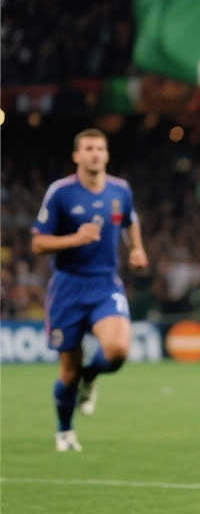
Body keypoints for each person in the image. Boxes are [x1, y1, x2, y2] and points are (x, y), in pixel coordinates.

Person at [31, 128, 148, 451]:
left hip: (105, 283)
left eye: (100, 148)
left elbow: (130, 220)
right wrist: (75, 239)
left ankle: (91, 377)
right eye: (89, 148)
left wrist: (137, 248)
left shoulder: (120, 190)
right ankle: (65, 432)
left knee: (117, 351)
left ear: (107, 155)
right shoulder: (61, 193)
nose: (95, 153)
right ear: (77, 156)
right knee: (68, 370)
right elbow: (38, 244)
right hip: (67, 287)